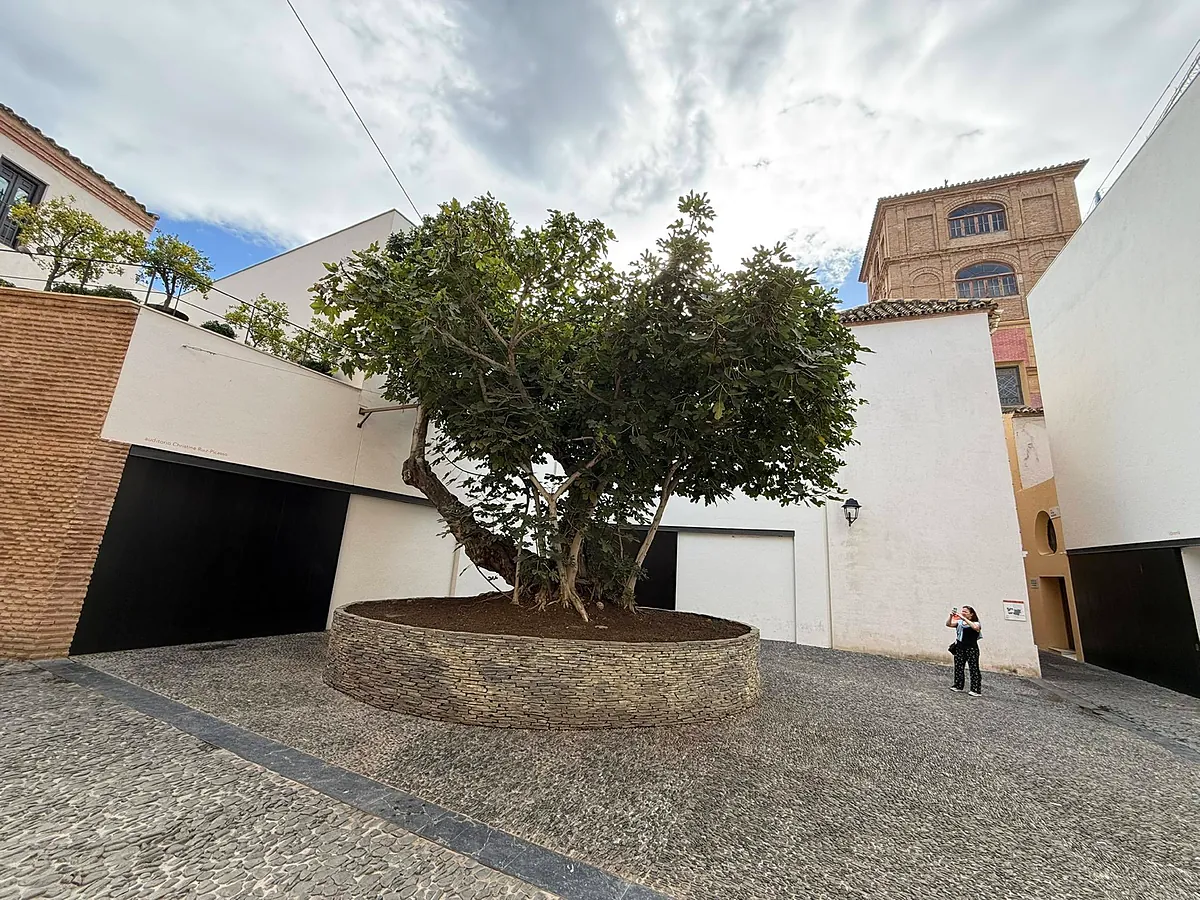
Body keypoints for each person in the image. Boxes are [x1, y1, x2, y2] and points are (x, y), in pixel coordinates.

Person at [946, 605, 982, 696]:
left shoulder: (976, 623)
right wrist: (951, 616)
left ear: (971, 614)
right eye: (962, 611)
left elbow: (976, 628)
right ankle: (958, 685)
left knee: (974, 669)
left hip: (971, 649)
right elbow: (948, 624)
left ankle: (975, 689)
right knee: (958, 667)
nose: (963, 613)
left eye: (965, 612)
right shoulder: (960, 623)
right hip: (960, 647)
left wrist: (964, 619)